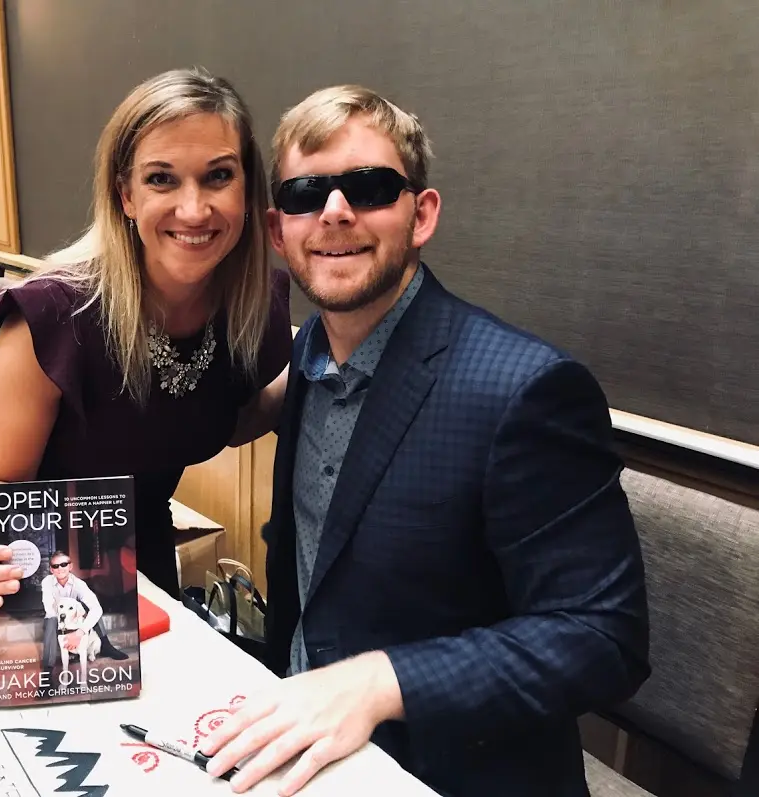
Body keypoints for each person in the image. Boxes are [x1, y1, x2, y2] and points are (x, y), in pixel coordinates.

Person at [200, 86, 650, 797]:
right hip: (301, 745)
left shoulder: (525, 389)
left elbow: (603, 637)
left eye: (370, 186)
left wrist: (383, 680)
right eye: (305, 192)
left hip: (448, 770)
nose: (335, 211)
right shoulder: (314, 348)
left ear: (421, 214)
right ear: (277, 228)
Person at [0, 67, 293, 606]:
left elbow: (224, 419)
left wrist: (320, 369)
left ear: (247, 189)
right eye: (162, 179)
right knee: (65, 670)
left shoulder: (253, 310)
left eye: (218, 176)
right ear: (126, 197)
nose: (194, 208)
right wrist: (25, 568)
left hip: (136, 514)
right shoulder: (54, 315)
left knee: (161, 669)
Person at [39, 550, 128, 671]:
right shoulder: (47, 582)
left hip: (75, 617)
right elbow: (49, 608)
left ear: (70, 566)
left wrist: (79, 631)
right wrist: (66, 628)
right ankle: (48, 671)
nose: (60, 568)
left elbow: (96, 609)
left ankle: (105, 645)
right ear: (51, 570)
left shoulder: (79, 584)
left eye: (64, 564)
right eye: (55, 566)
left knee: (91, 607)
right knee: (50, 620)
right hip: (59, 618)